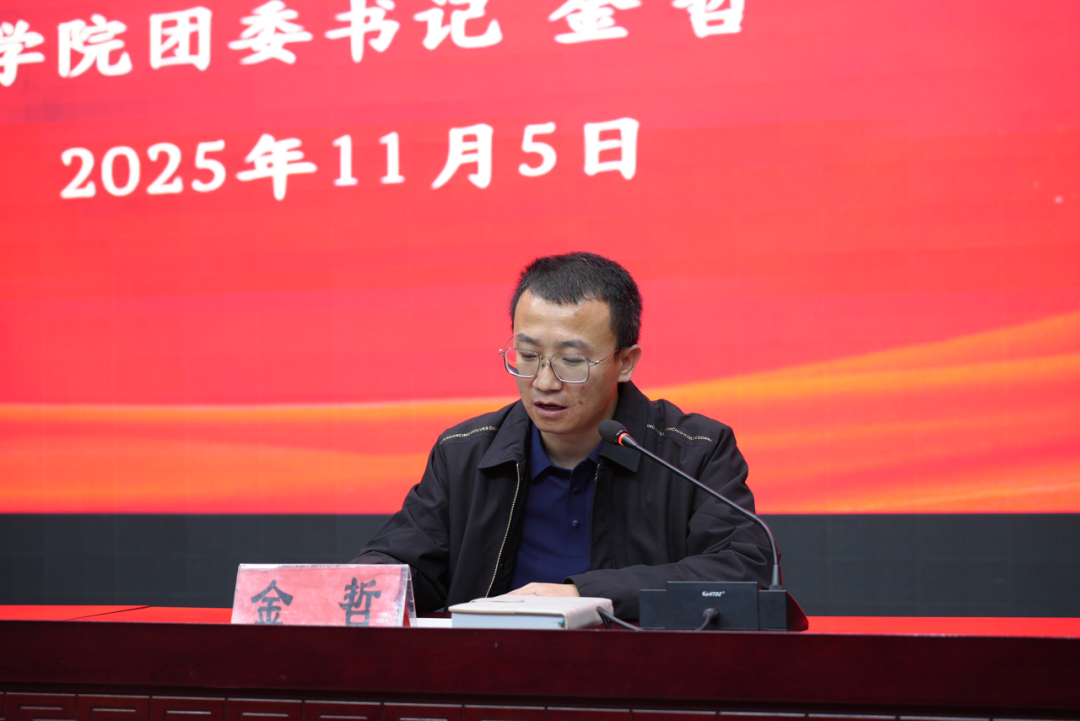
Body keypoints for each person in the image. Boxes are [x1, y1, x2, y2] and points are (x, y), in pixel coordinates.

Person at [353, 252, 771, 619]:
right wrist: (356, 583)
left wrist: (583, 596)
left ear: (625, 362)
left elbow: (742, 569)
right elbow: (399, 564)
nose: (544, 382)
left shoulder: (694, 452)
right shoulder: (465, 452)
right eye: (527, 355)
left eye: (571, 361)